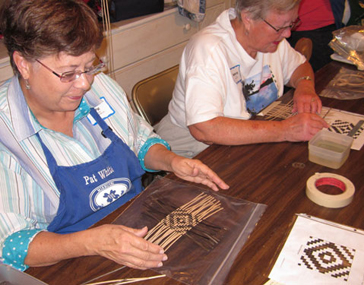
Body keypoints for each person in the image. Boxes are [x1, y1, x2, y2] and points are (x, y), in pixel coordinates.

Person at [0, 0, 229, 272]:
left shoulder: (101, 89)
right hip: (66, 264)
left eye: (90, 66)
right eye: (69, 73)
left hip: (137, 227)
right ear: (23, 64)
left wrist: (172, 161)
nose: (85, 83)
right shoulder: (7, 133)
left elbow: (139, 141)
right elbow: (10, 246)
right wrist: (92, 242)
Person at [155, 0, 329, 158]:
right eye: (281, 27)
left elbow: (299, 66)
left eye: (291, 24)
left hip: (245, 140)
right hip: (195, 151)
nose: (288, 34)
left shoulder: (272, 40)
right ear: (247, 18)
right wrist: (284, 130)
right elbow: (203, 129)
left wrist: (305, 86)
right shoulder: (209, 50)